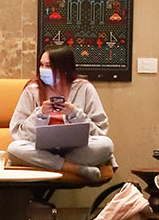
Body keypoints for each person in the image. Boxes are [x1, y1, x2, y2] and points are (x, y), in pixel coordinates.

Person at [8, 44, 115, 182]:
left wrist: (75, 114)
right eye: (41, 65)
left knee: (106, 145)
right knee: (14, 149)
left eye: (49, 66)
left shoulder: (85, 88)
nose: (43, 70)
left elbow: (100, 131)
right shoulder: (32, 90)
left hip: (76, 150)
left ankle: (55, 164)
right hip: (40, 150)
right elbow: (16, 133)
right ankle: (74, 168)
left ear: (64, 68)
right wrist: (40, 114)